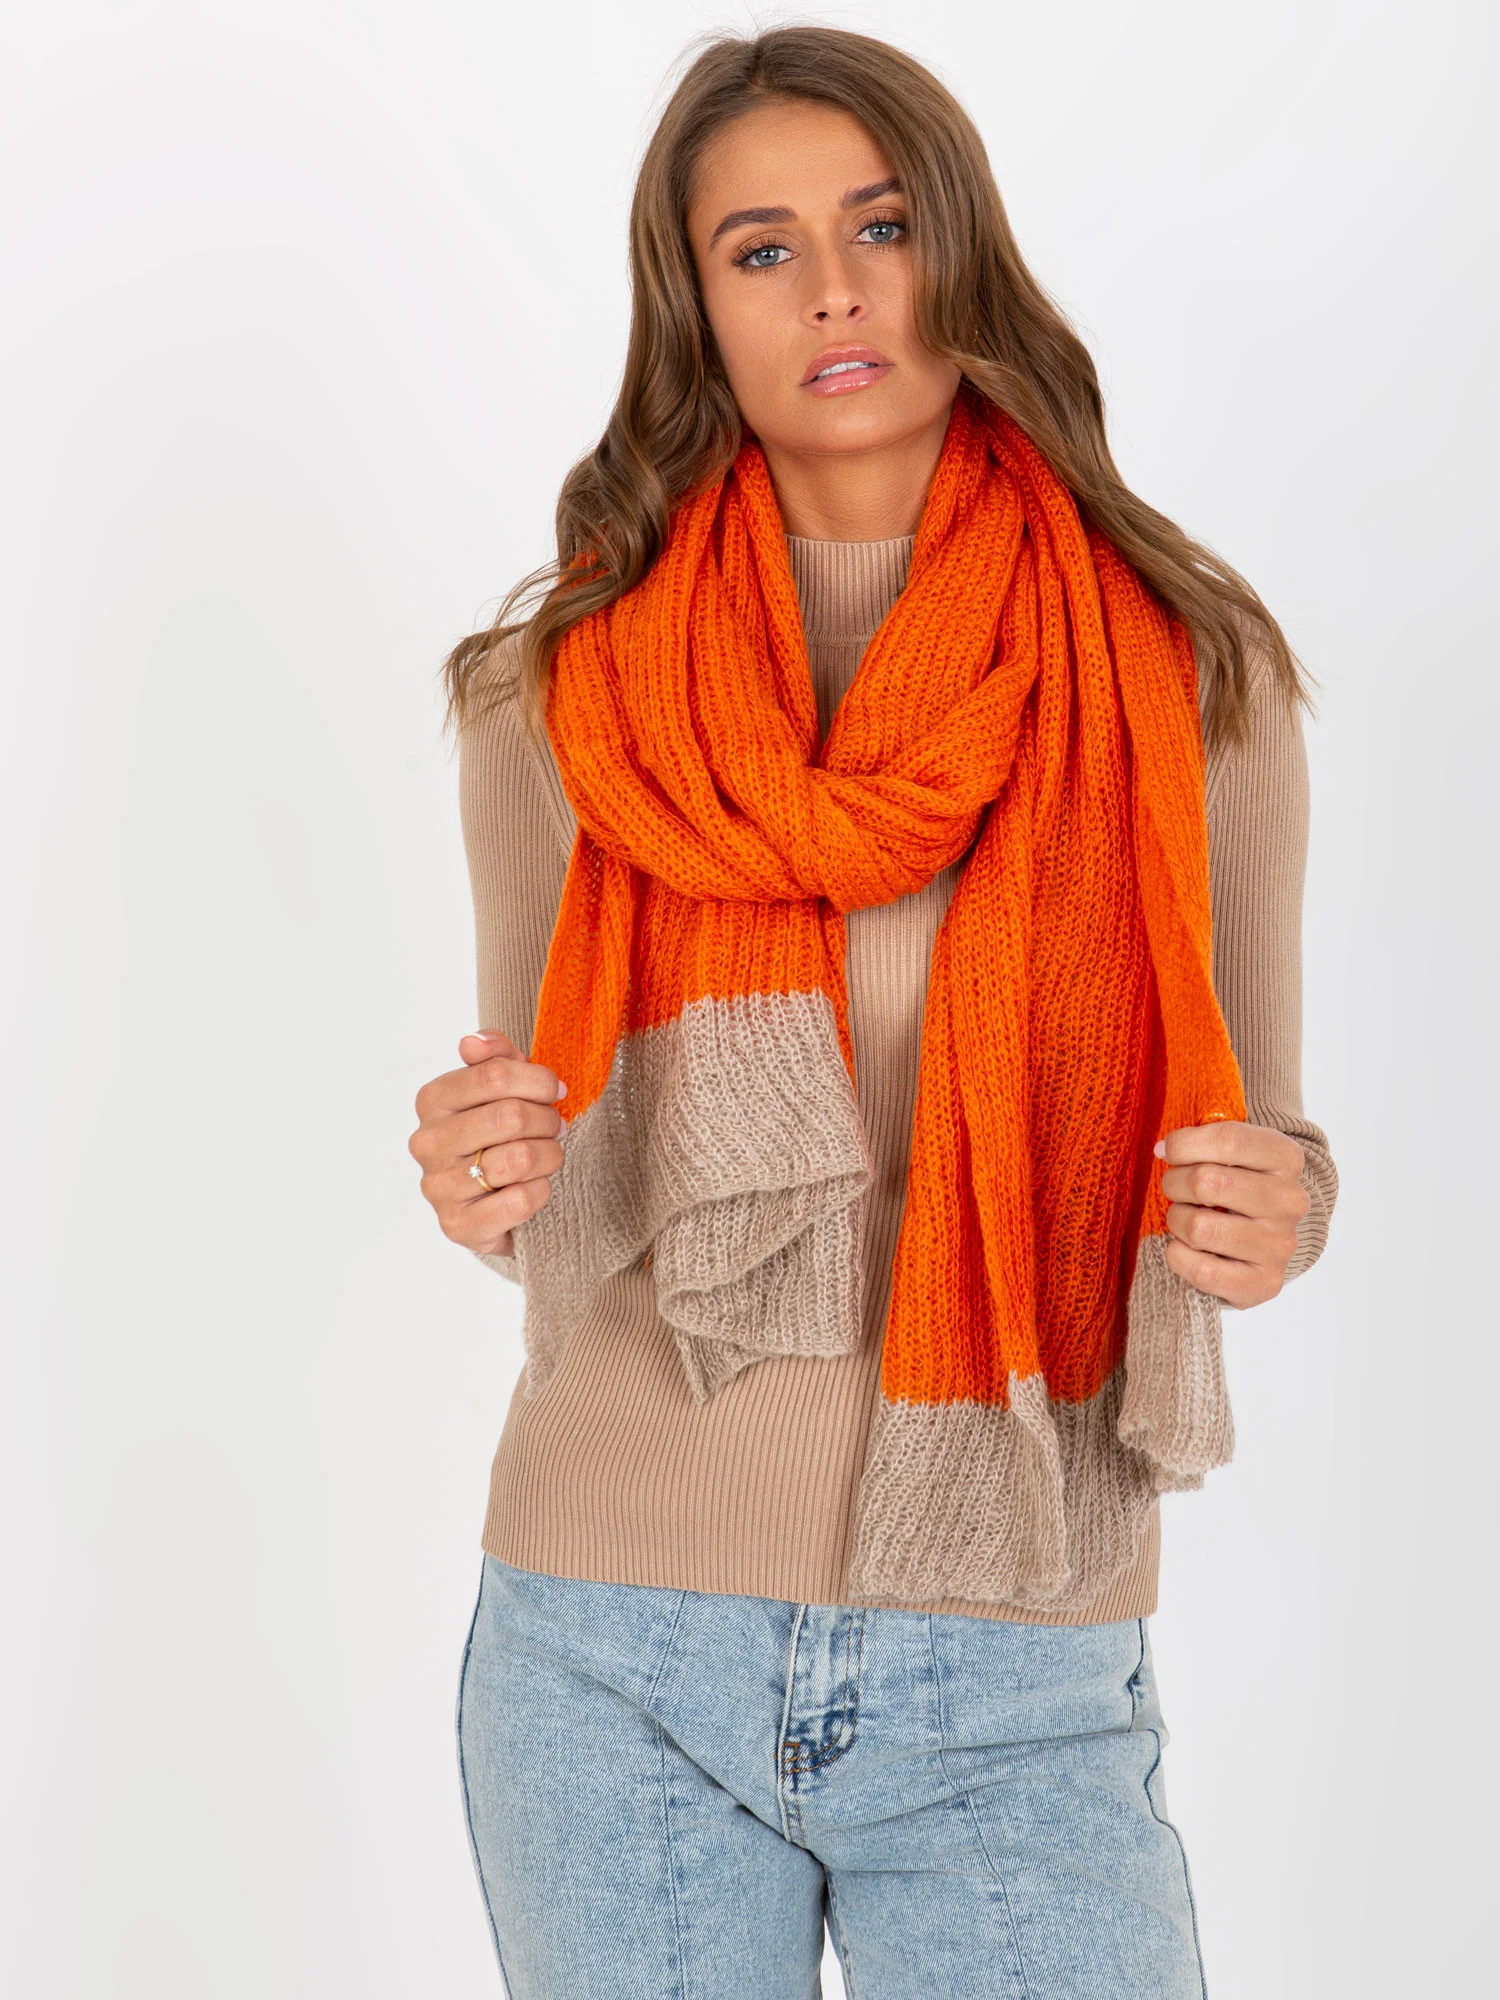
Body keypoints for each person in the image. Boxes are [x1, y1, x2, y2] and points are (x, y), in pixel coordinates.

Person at [408, 26, 1337, 1999]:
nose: (833, 288)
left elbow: (1269, 1147)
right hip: (610, 1643)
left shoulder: (1184, 676)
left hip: (1014, 1648)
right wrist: (482, 1174)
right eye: (761, 249)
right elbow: (558, 1198)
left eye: (883, 226)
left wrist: (1278, 1210)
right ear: (699, 313)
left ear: (960, 254)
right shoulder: (554, 695)